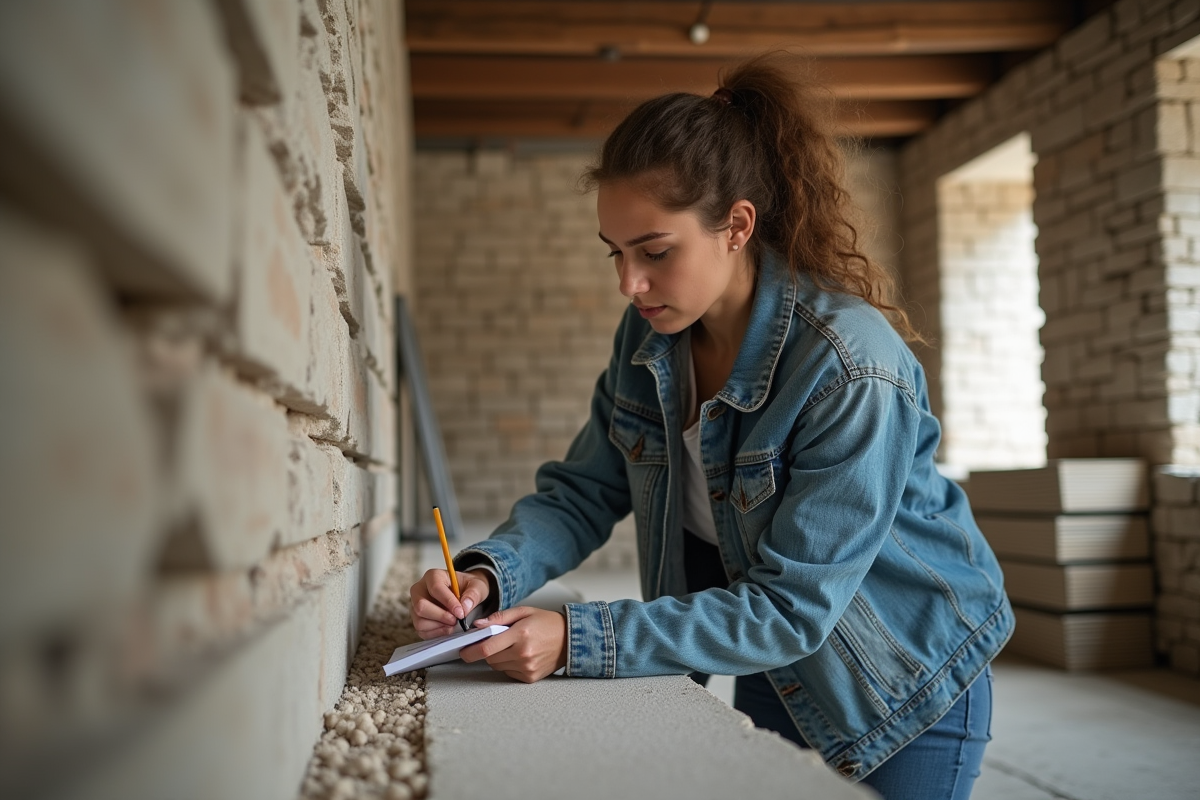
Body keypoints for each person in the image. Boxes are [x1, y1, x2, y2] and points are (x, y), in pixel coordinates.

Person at [409, 54, 1013, 799]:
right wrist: (487, 575)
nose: (629, 283)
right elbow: (583, 492)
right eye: (617, 253)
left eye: (655, 252)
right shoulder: (647, 338)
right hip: (771, 662)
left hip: (900, 678)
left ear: (736, 226)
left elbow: (791, 609)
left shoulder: (851, 368)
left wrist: (577, 639)